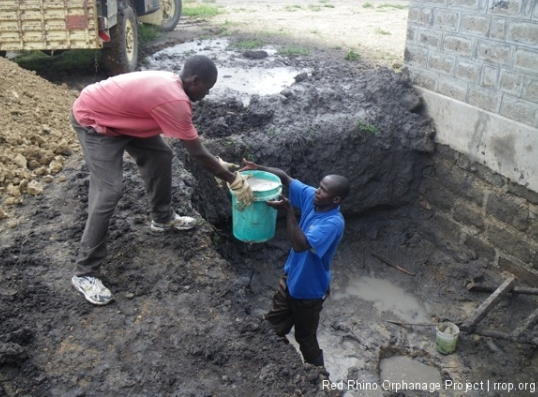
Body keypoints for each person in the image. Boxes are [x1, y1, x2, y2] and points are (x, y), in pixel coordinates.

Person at [70, 55, 253, 305]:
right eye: (207, 88)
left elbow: (196, 148)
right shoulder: (176, 100)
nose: (207, 94)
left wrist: (218, 165)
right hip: (95, 120)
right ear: (195, 81)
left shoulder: (174, 85)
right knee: (109, 190)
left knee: (160, 155)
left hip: (122, 118)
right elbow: (197, 154)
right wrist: (234, 180)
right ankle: (84, 273)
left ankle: (162, 218)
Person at [241, 158, 350, 368]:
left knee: (306, 339)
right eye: (319, 186)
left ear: (336, 199)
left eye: (324, 190)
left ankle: (320, 379)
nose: (317, 191)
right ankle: (277, 362)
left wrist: (289, 211)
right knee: (271, 328)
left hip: (309, 293)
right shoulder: (313, 198)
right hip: (289, 280)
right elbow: (285, 178)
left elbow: (301, 244)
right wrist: (259, 169)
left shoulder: (333, 223)